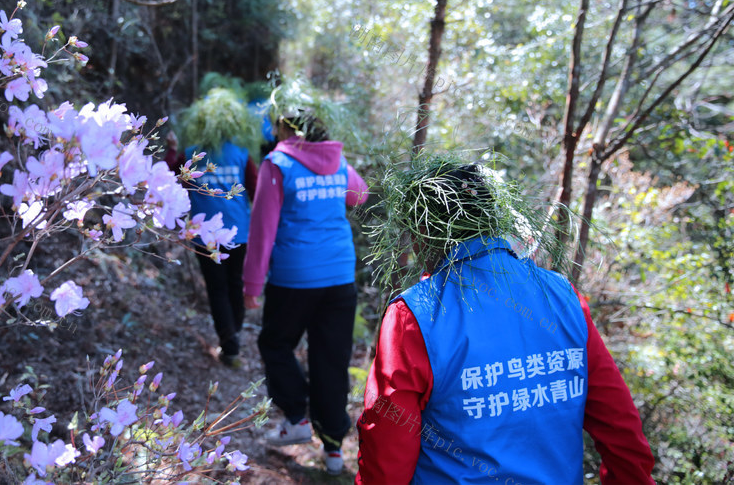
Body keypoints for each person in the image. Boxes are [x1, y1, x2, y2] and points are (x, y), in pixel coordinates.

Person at [355, 162, 655, 484]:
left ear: (425, 235)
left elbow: (386, 448)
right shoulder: (563, 297)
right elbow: (621, 430)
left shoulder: (415, 315)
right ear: (493, 218)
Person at [243, 110, 369, 475]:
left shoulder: (277, 163)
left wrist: (252, 284)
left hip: (295, 278)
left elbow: (263, 228)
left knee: (276, 343)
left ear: (287, 130)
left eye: (277, 125)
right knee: (331, 357)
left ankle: (297, 417)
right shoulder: (336, 159)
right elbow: (359, 195)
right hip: (340, 276)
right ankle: (333, 451)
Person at [166, 89, 259, 368]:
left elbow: (170, 181)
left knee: (217, 288)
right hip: (239, 232)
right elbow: (256, 191)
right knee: (234, 285)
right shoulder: (242, 154)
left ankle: (230, 345)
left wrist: (172, 150)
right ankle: (233, 338)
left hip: (203, 233)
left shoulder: (193, 154)